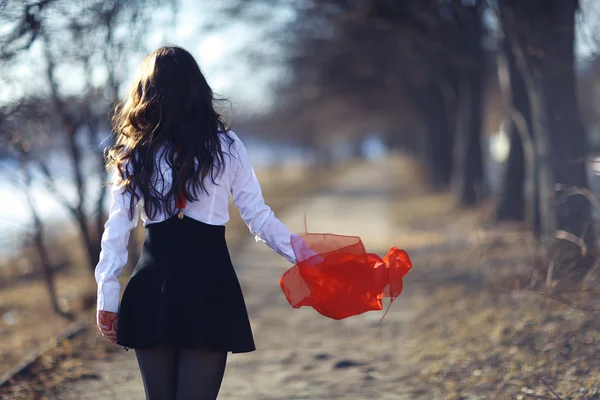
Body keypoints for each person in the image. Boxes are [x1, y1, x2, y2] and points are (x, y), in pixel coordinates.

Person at [94, 46, 299, 400]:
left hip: (153, 289)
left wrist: (107, 294)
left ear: (147, 94)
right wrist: (303, 253)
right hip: (209, 286)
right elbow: (258, 218)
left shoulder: (135, 153)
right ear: (197, 89)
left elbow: (118, 229)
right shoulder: (226, 145)